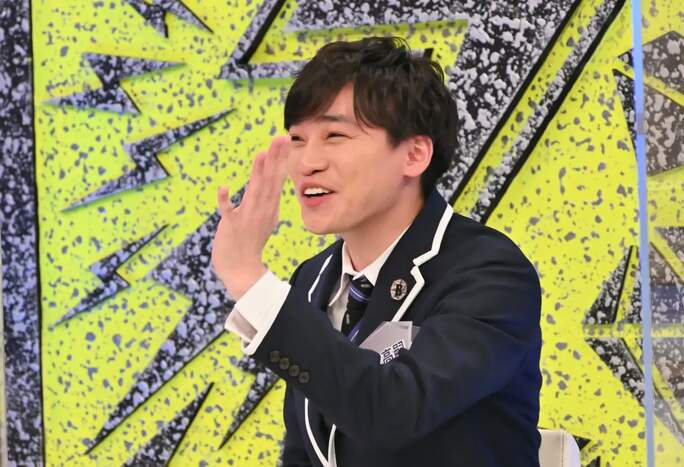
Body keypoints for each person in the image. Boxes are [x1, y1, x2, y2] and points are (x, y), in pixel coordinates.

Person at [212, 36, 542, 467]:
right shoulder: (313, 279)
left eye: (335, 135)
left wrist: (249, 280)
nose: (307, 162)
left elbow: (393, 411)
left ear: (414, 155)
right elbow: (305, 453)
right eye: (297, 138)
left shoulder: (491, 273)